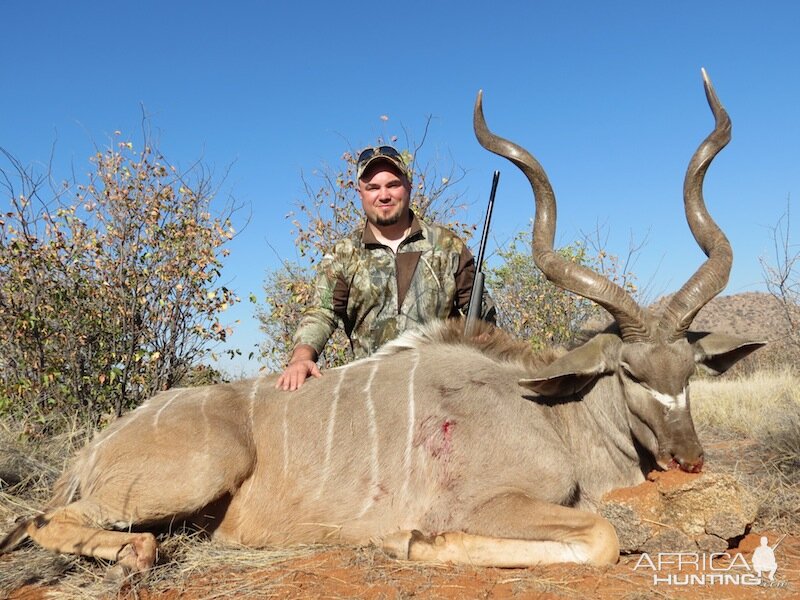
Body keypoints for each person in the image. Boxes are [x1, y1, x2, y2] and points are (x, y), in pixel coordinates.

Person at [276, 145, 496, 391]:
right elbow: (322, 312)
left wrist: (484, 336)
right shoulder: (345, 253)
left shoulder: (447, 245)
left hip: (439, 388)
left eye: (393, 185)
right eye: (373, 187)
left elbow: (480, 310)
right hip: (371, 391)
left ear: (409, 187)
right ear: (360, 193)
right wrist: (302, 358)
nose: (384, 195)